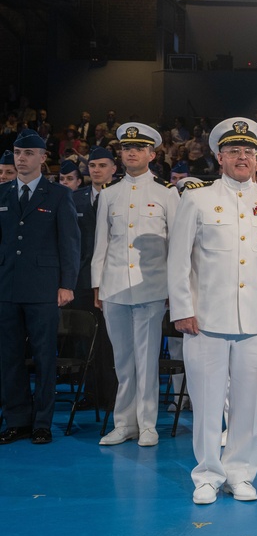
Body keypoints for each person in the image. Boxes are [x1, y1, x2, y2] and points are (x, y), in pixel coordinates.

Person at [168, 117, 257, 504]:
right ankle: (206, 474)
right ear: (219, 157)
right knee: (205, 402)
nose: (242, 157)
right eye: (234, 151)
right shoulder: (197, 199)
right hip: (206, 319)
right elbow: (179, 261)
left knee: (251, 403)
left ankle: (240, 473)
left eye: (249, 152)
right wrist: (182, 309)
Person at [92, 123, 179, 447]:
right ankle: (124, 423)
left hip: (151, 287)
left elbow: (177, 245)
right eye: (127, 148)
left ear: (152, 154)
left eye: (139, 148)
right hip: (115, 287)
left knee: (146, 359)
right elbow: (102, 243)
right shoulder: (109, 194)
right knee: (123, 361)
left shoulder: (166, 192)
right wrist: (97, 284)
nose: (131, 152)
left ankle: (147, 424)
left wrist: (175, 288)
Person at [0, 129, 81, 445]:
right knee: (9, 358)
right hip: (6, 288)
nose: (21, 159)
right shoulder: (3, 193)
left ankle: (42, 422)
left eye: (28, 153)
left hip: (45, 289)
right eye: (18, 153)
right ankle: (18, 419)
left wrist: (67, 284)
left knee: (45, 358)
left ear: (43, 158)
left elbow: (70, 244)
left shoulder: (59, 195)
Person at [69, 147, 118, 411]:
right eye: (92, 166)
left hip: (113, 278)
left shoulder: (122, 197)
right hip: (81, 279)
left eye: (102, 165)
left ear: (114, 169)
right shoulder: (74, 198)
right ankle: (90, 393)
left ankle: (113, 395)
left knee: (111, 342)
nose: (96, 170)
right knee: (84, 339)